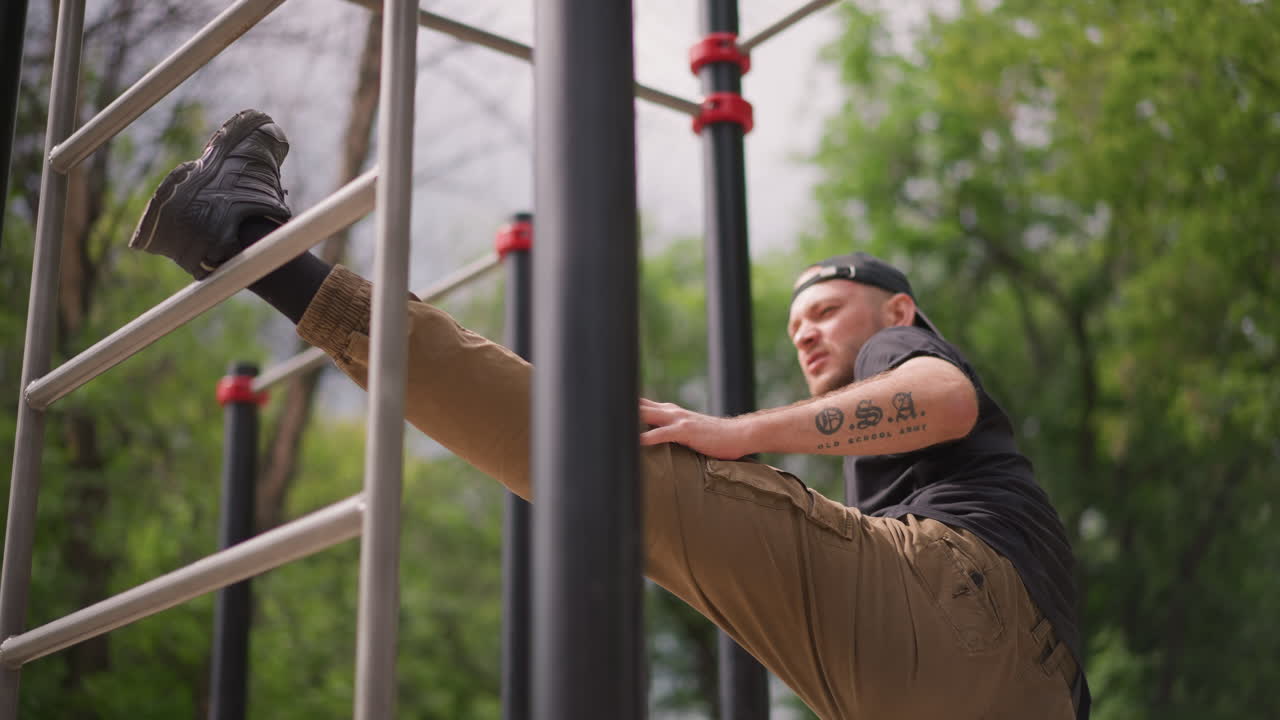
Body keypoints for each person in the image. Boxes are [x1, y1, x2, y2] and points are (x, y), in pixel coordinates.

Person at [132, 110, 1089, 719]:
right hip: (1010, 690)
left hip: (970, 608)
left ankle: (251, 236)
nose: (807, 337)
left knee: (616, 463)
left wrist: (739, 431)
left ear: (897, 312)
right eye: (793, 324)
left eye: (824, 312)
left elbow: (945, 397)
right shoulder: (873, 428)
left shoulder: (896, 350)